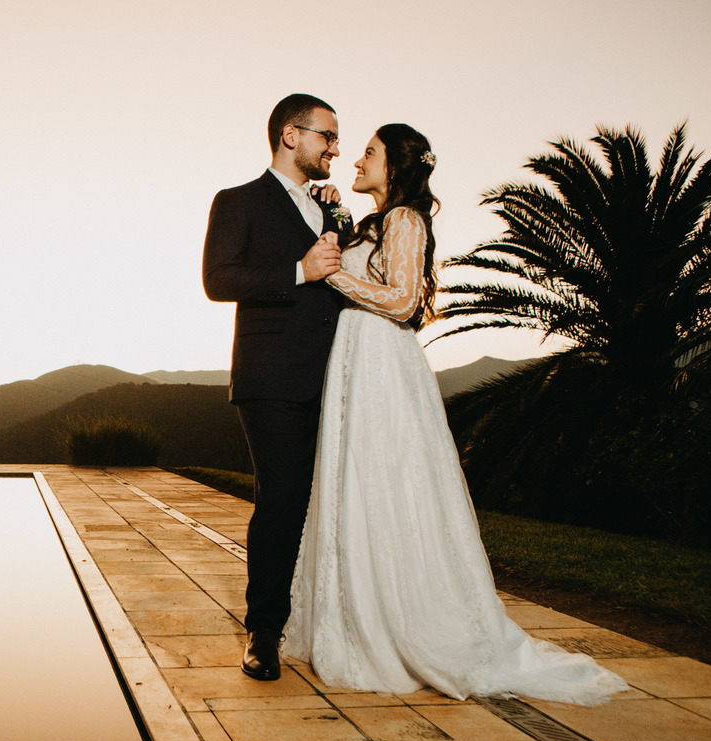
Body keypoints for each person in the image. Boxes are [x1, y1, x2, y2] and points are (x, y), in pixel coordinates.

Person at [281, 123, 628, 704]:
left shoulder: (407, 219)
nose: (356, 159)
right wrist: (336, 216)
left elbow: (404, 300)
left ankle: (402, 623)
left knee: (389, 480)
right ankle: (355, 612)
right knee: (357, 482)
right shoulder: (379, 220)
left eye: (369, 152)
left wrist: (331, 274)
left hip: (382, 365)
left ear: (396, 166)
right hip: (357, 361)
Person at [202, 94, 354, 681]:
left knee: (335, 500)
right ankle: (264, 631)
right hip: (272, 377)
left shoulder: (329, 208)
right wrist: (299, 271)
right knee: (283, 499)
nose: (336, 148)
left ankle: (333, 621)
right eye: (327, 136)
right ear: (292, 135)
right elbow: (219, 279)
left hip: (338, 374)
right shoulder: (237, 201)